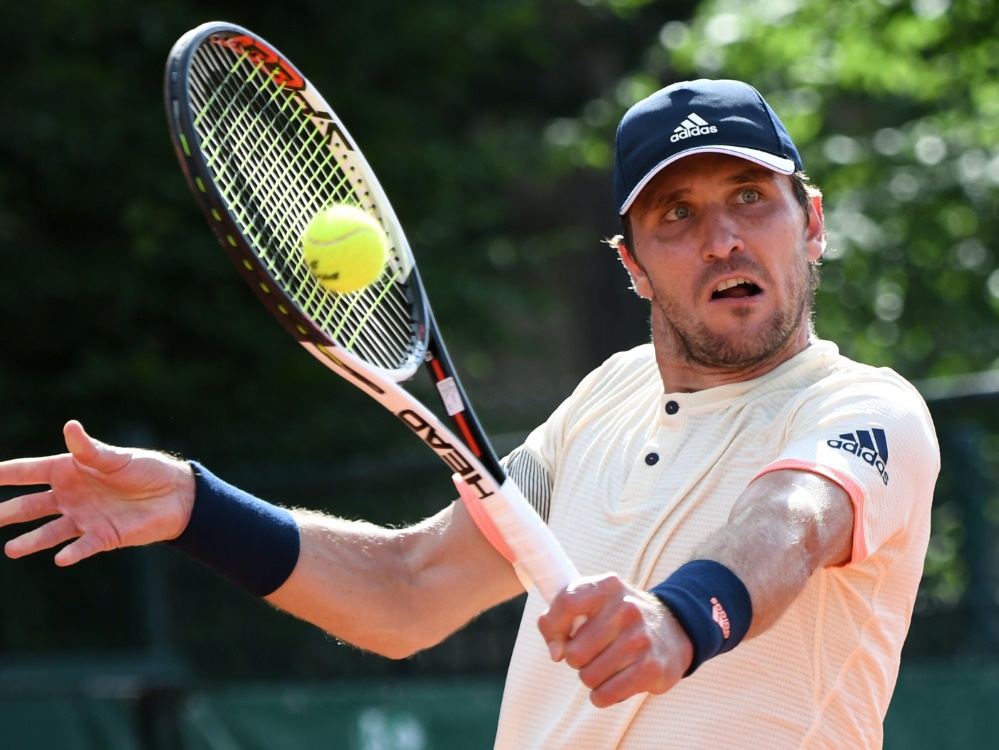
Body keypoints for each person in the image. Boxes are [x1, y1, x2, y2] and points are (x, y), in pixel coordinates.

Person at [0, 79, 939, 749]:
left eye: (749, 199)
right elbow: (408, 589)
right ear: (632, 265)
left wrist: (677, 621)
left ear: (808, 222)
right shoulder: (600, 401)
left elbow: (790, 522)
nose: (723, 236)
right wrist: (195, 508)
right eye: (675, 215)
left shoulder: (865, 409)